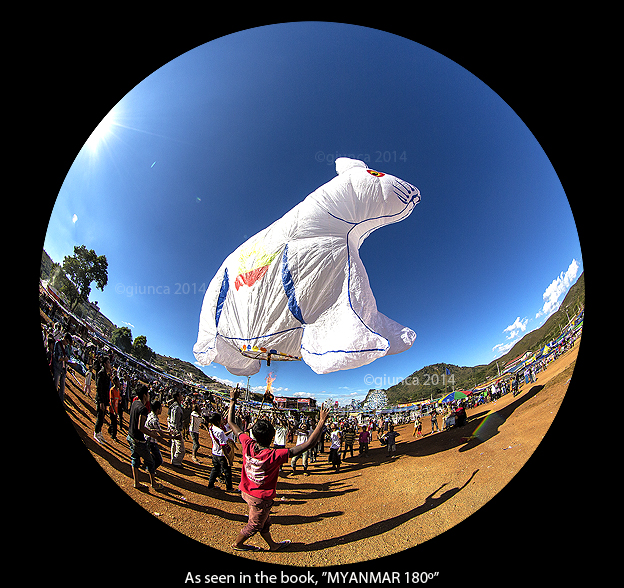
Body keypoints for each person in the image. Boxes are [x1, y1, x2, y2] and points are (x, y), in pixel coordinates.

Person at [227, 385, 330, 552]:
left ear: (254, 434)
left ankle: (273, 545)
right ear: (272, 437)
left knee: (265, 521)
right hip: (260, 498)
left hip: (247, 492)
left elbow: (231, 422)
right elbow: (309, 444)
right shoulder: (274, 455)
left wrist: (233, 399)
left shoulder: (247, 443)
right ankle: (238, 544)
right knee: (254, 525)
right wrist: (321, 422)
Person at [128, 385, 163, 490]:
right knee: (151, 462)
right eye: (148, 394)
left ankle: (136, 482)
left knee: (135, 459)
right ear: (144, 395)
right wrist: (153, 435)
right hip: (139, 439)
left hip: (131, 436)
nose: (149, 396)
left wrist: (149, 431)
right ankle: (154, 484)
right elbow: (141, 427)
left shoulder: (134, 403)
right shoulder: (143, 409)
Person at [207, 412, 233, 491]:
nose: (223, 420)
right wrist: (228, 458)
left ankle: (210, 485)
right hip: (221, 454)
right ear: (218, 421)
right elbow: (223, 447)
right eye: (221, 419)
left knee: (215, 469)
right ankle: (229, 488)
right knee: (227, 471)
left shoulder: (211, 428)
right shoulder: (220, 432)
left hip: (214, 452)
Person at [145, 400, 170, 473]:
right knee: (159, 460)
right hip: (152, 441)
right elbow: (161, 434)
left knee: (152, 457)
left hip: (147, 438)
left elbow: (158, 430)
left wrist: (168, 432)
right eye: (161, 408)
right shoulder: (155, 420)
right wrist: (173, 438)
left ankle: (149, 468)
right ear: (158, 409)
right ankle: (150, 470)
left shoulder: (150, 414)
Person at [94, 356, 111, 444]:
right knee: (99, 416)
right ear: (104, 364)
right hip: (100, 399)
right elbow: (99, 388)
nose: (110, 364)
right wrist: (100, 401)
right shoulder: (101, 373)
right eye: (108, 362)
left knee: (102, 416)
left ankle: (99, 432)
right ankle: (96, 433)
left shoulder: (107, 375)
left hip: (104, 399)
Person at [52, 333, 72, 403]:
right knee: (56, 384)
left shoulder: (66, 347)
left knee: (62, 388)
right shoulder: (58, 344)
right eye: (67, 341)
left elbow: (68, 357)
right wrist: (62, 359)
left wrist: (69, 362)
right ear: (64, 338)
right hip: (57, 367)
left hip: (63, 369)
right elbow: (55, 356)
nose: (67, 343)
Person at [167, 391, 185, 467]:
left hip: (174, 429)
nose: (182, 396)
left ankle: (173, 460)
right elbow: (174, 421)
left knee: (174, 445)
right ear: (177, 397)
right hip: (176, 429)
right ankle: (176, 461)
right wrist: (177, 431)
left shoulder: (175, 406)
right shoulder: (176, 408)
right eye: (180, 395)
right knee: (181, 448)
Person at [108, 376, 121, 442]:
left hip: (116, 409)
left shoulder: (118, 391)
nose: (119, 383)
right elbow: (111, 400)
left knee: (113, 422)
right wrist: (114, 410)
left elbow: (118, 400)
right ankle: (114, 435)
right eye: (118, 381)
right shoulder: (112, 390)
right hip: (112, 410)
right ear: (115, 382)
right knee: (114, 424)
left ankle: (110, 430)